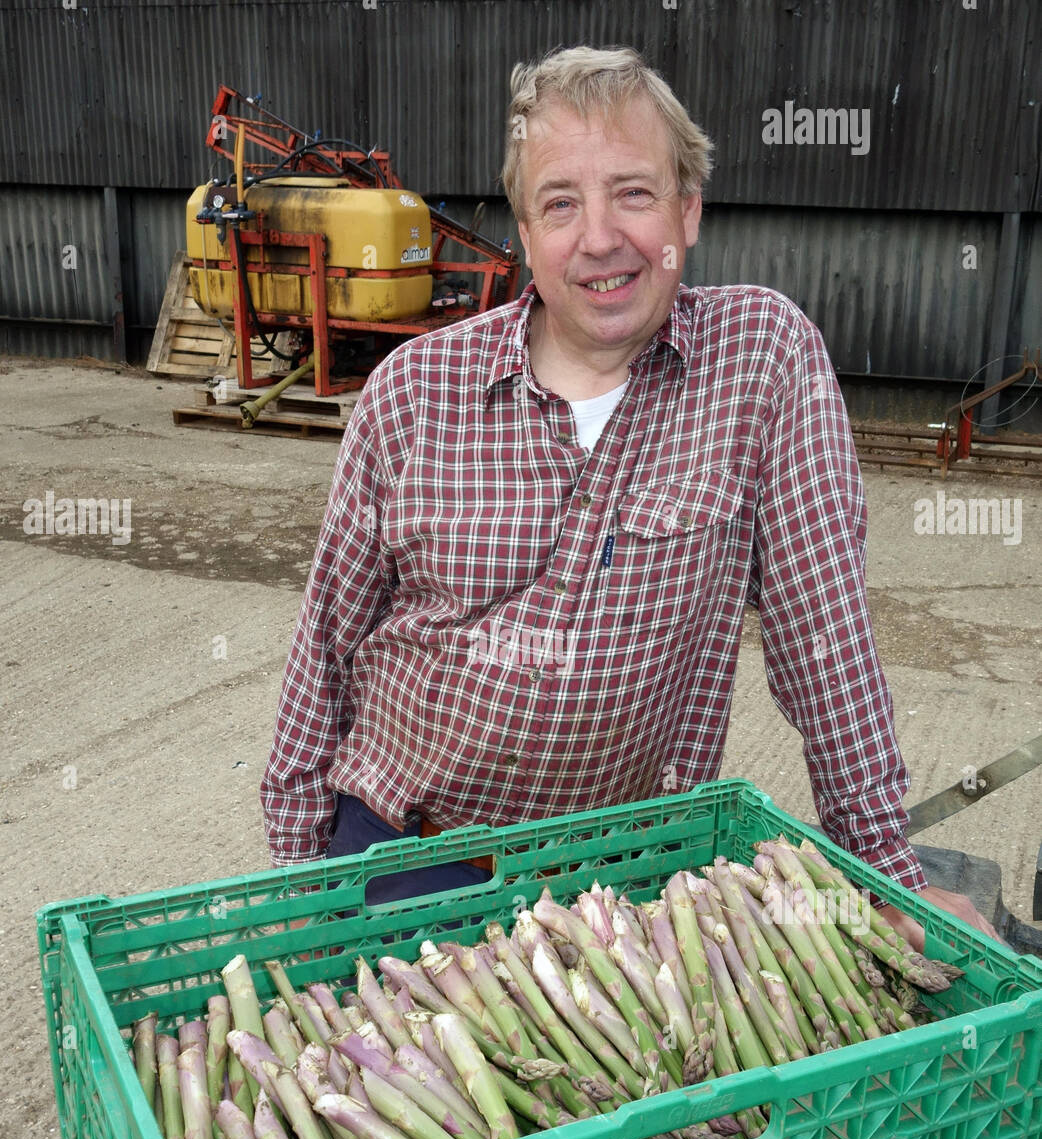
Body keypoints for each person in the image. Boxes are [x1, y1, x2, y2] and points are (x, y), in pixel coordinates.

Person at [260, 45, 998, 951]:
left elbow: (825, 640)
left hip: (628, 890)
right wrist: (294, 899)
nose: (600, 236)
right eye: (560, 202)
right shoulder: (415, 392)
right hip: (405, 864)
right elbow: (324, 655)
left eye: (634, 193)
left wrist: (884, 878)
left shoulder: (761, 362)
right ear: (526, 233)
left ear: (688, 209)